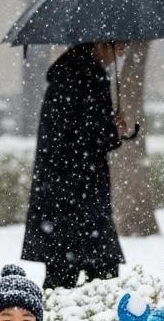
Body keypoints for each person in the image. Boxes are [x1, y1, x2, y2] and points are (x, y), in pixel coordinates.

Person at [21, 41, 129, 289]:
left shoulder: (68, 76)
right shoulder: (88, 78)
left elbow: (70, 134)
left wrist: (109, 130)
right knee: (100, 278)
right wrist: (112, 130)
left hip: (63, 196)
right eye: (120, 47)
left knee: (63, 276)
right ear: (101, 45)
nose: (121, 55)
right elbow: (86, 136)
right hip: (80, 195)